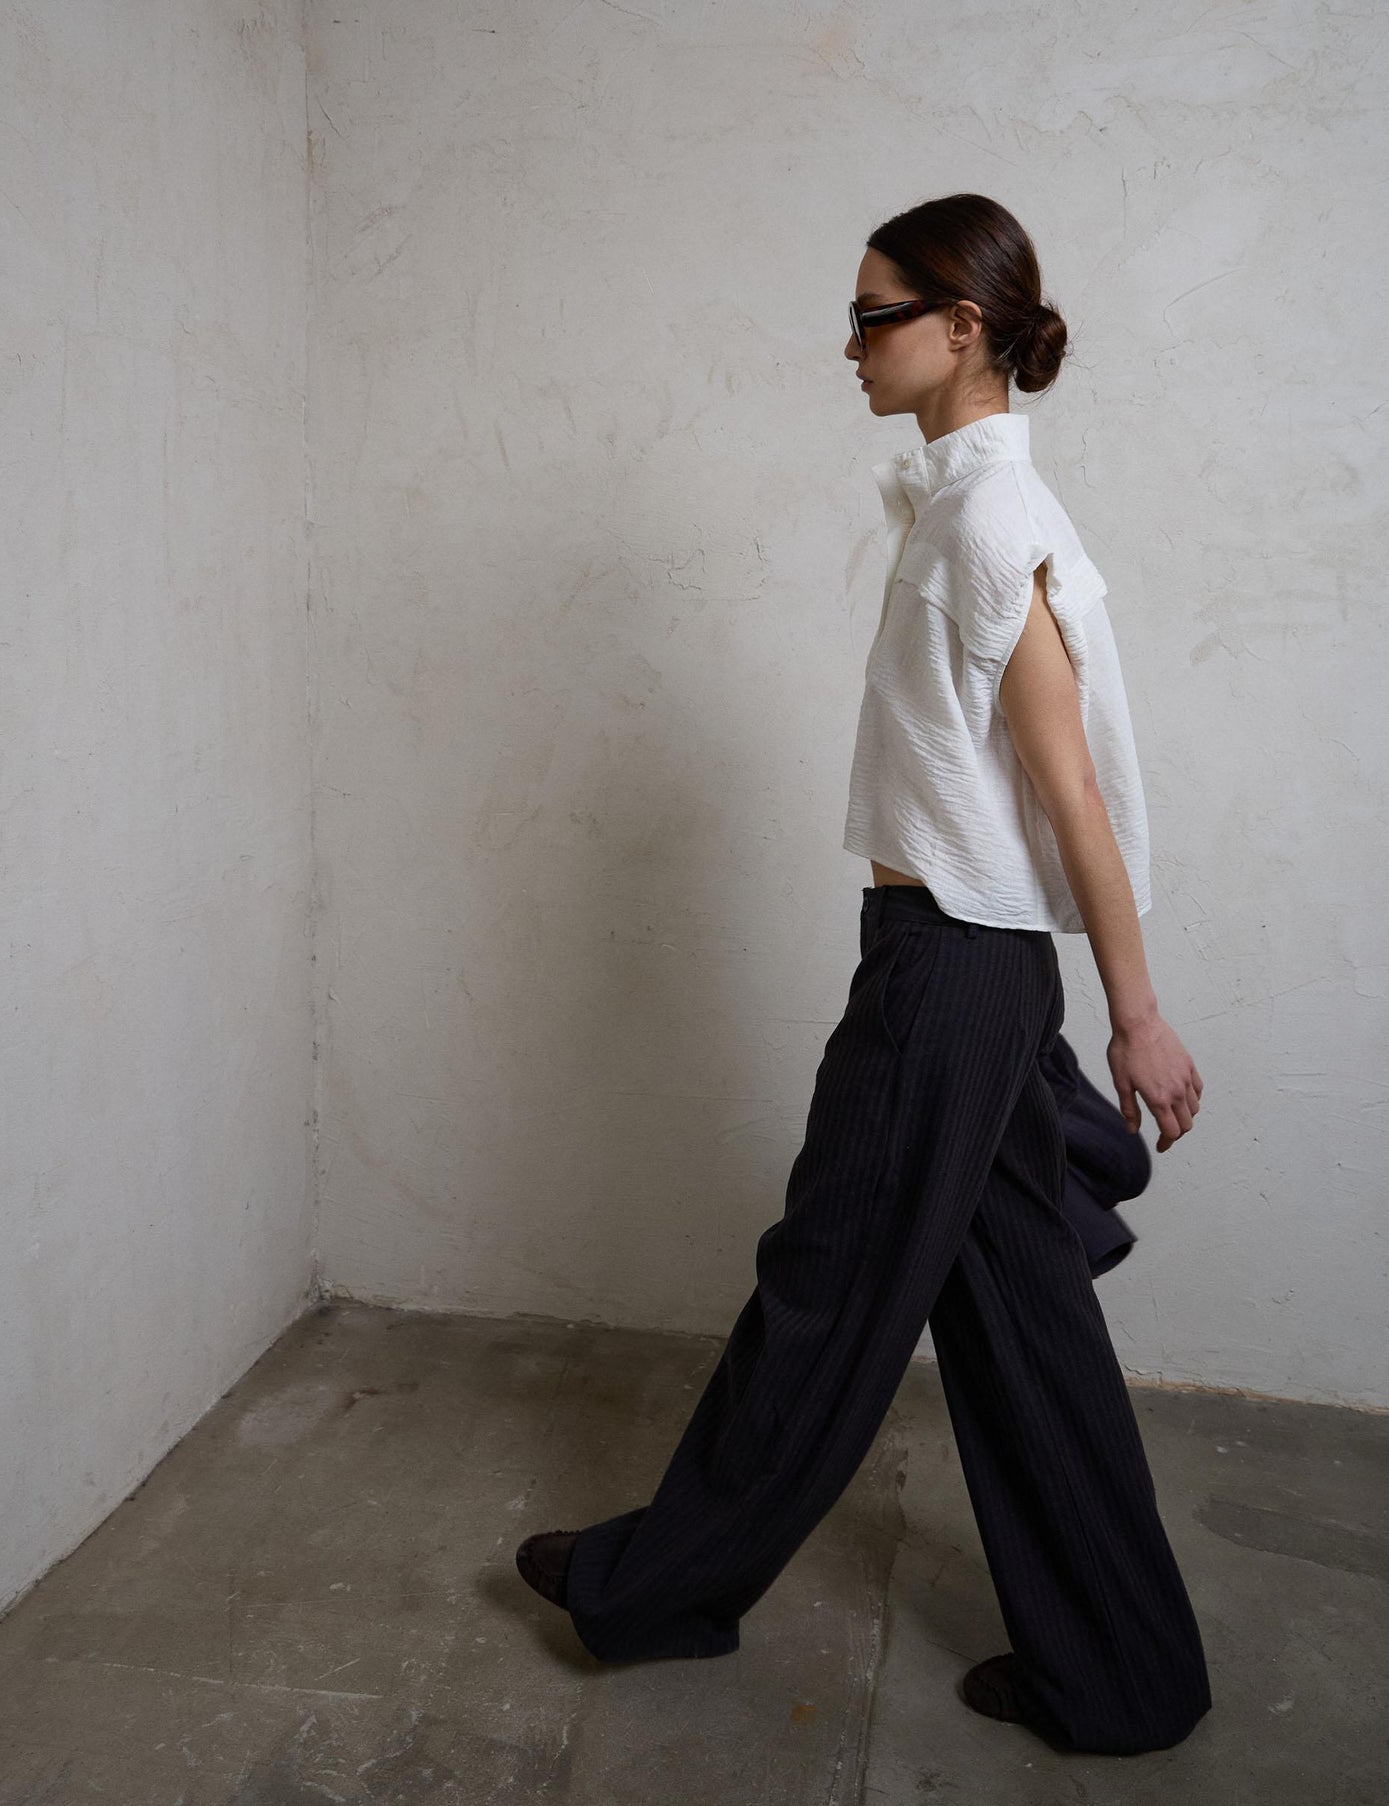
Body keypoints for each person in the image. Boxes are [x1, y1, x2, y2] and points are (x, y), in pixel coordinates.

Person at [517, 193, 1211, 1756]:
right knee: (1023, 1325)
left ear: (961, 329)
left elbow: (1068, 792)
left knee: (821, 1301)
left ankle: (657, 1587)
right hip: (977, 972)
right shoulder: (984, 508)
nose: (848, 344)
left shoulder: (982, 524)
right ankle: (1123, 1672)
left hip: (946, 977)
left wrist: (1139, 1011)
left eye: (873, 314)